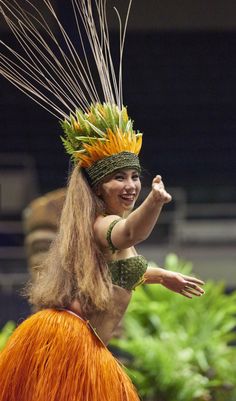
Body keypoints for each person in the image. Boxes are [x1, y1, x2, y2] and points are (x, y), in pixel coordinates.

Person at [0, 2, 204, 400]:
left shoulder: (106, 235)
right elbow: (130, 230)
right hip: (71, 345)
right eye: (118, 178)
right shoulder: (104, 224)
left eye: (134, 177)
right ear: (97, 188)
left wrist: (164, 276)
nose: (130, 186)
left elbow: (125, 270)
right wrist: (155, 203)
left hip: (82, 343)